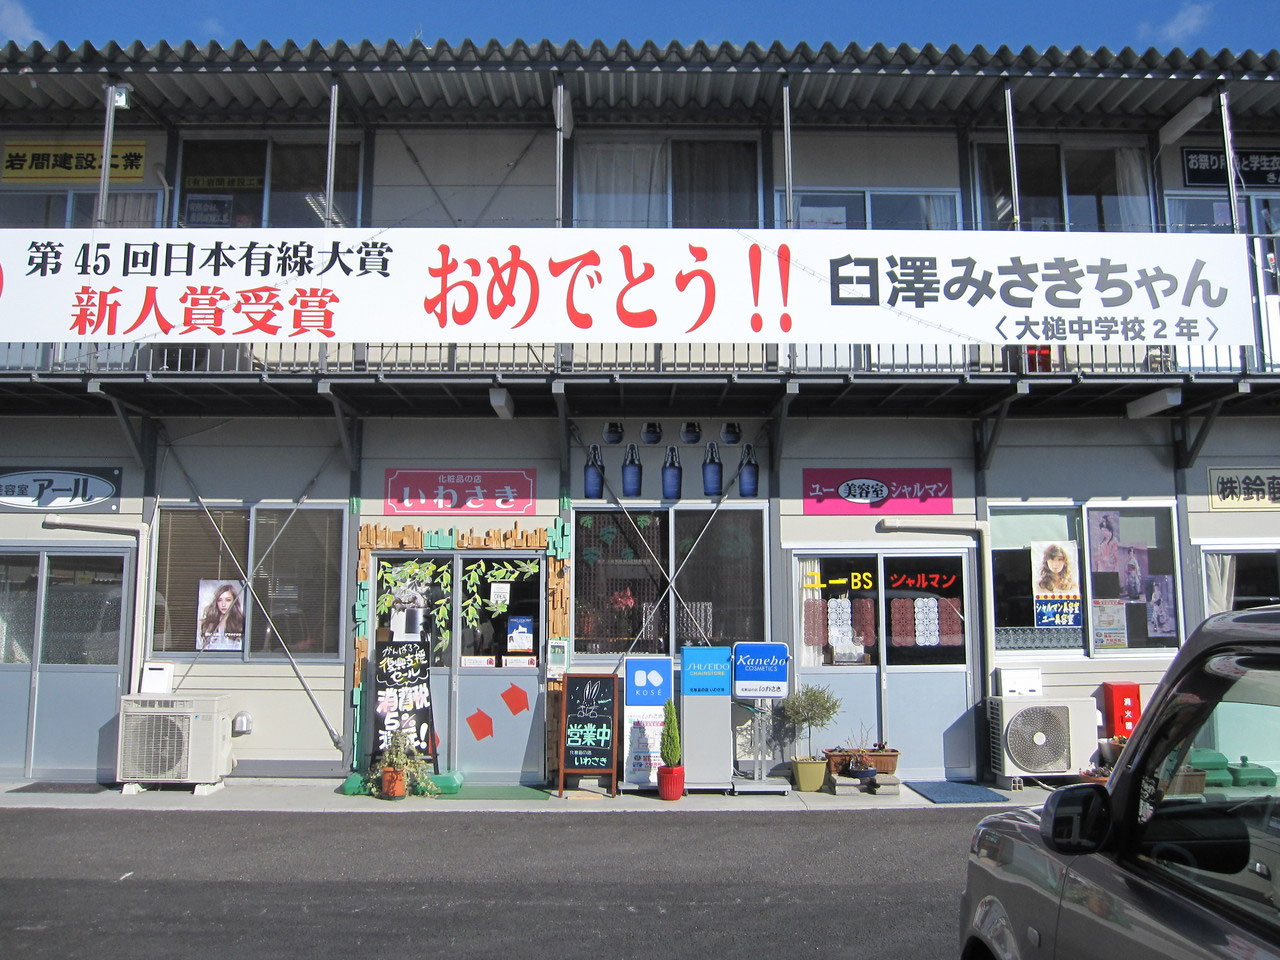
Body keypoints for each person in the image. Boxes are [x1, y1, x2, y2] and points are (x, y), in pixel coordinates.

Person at [199, 582, 245, 650]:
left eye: (228, 600)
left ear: (234, 602)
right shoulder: (209, 623)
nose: (223, 604)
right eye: (220, 600)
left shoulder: (240, 623)